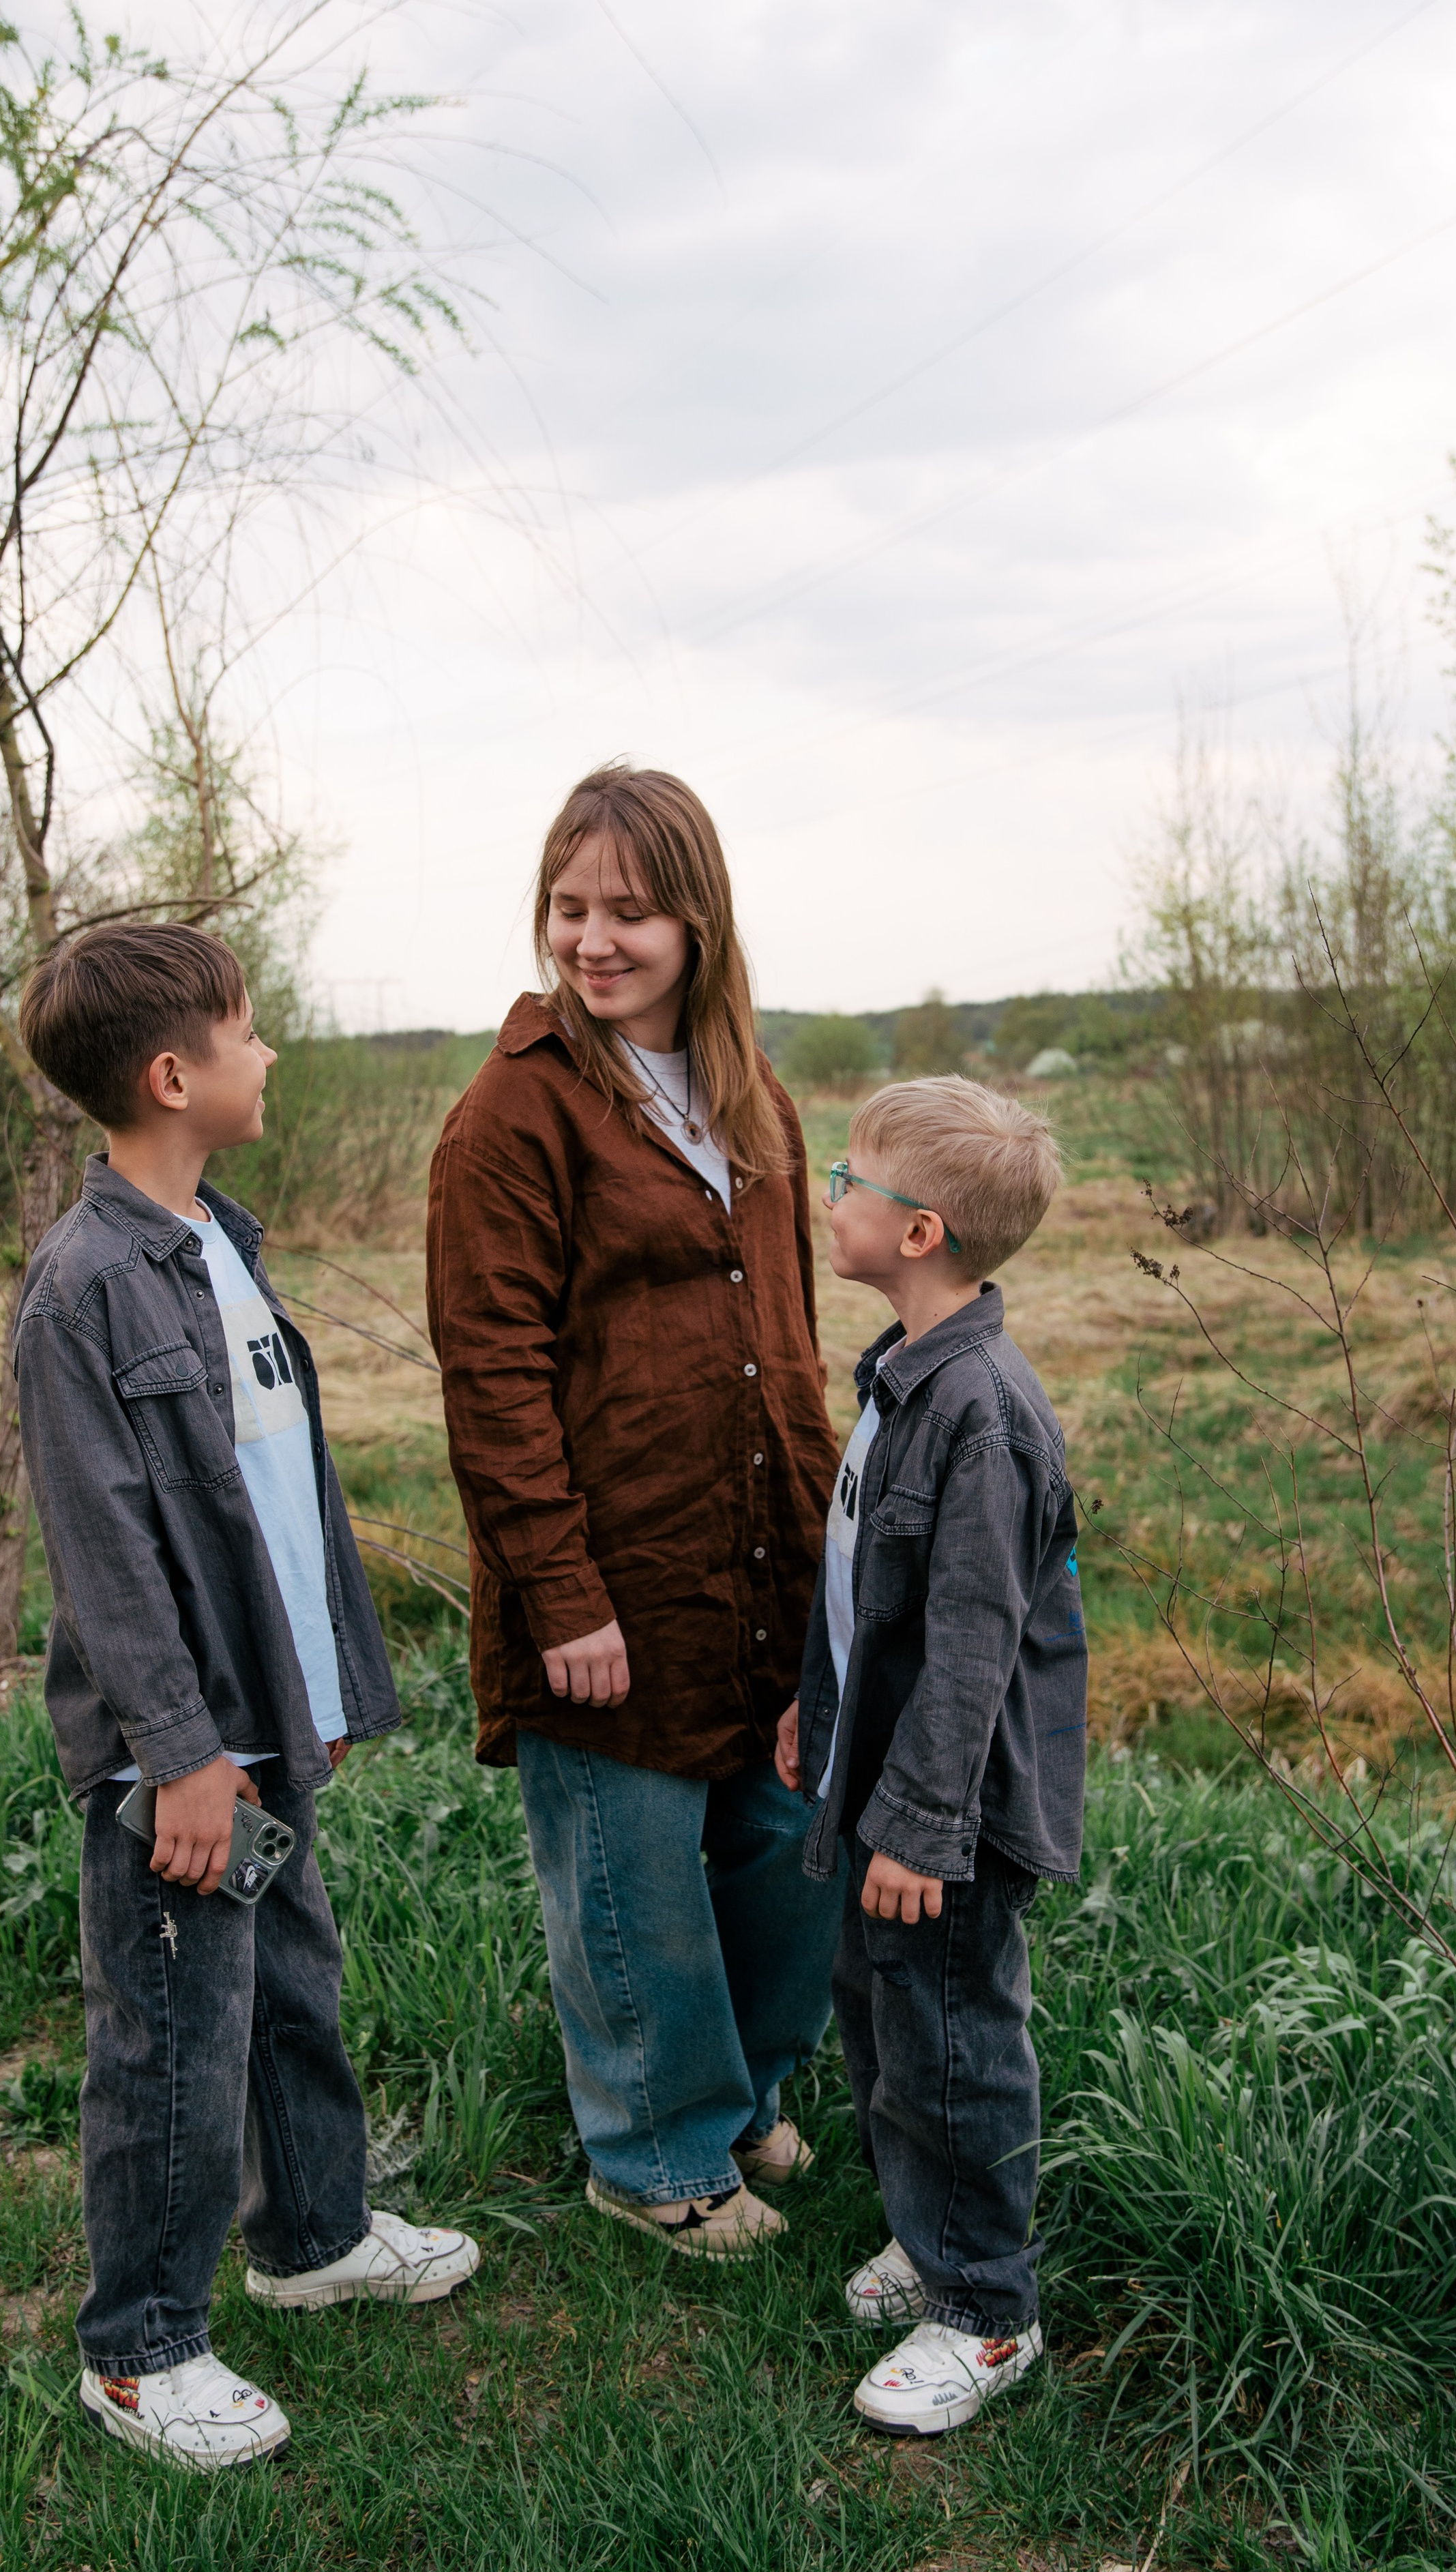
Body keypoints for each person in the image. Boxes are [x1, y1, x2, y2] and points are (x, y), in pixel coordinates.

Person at [14, 923, 480, 2471]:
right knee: (171, 2035)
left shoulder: (219, 1239)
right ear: (174, 1074)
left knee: (290, 1981)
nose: (268, 1050)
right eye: (248, 1030)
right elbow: (106, 1555)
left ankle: (314, 2236)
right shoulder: (81, 1291)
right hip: (184, 1752)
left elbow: (276, 1494)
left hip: (266, 1717)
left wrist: (315, 1685)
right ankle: (142, 2350)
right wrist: (185, 1752)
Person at [426, 765, 844, 2259]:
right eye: (567, 907)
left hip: (762, 1557)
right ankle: (654, 2155)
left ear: (696, 921)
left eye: (628, 911)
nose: (591, 940)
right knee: (638, 1876)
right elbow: (491, 1375)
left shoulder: (752, 1097)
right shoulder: (514, 1115)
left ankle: (741, 2096)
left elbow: (792, 1342)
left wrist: (829, 1560)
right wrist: (562, 1594)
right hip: (612, 1570)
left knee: (789, 1844)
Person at [774, 1075, 1087, 2434]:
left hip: (945, 1807)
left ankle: (985, 2308)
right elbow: (862, 1584)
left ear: (919, 1233)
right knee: (887, 2015)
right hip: (885, 1773)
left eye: (850, 1178)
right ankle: (930, 2229)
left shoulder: (982, 1414)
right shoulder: (901, 1376)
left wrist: (914, 1827)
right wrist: (819, 1707)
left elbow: (969, 1648)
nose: (829, 1195)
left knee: (953, 2037)